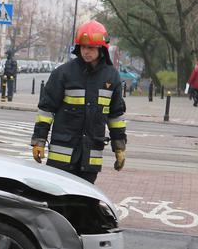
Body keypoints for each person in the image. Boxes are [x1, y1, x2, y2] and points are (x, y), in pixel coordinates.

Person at [30, 20, 127, 184]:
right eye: (83, 47)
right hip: (62, 156)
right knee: (57, 202)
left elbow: (115, 116)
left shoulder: (111, 76)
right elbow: (46, 110)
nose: (86, 52)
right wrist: (39, 141)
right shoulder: (63, 73)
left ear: (101, 48)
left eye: (91, 48)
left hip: (90, 157)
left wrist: (119, 147)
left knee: (84, 205)